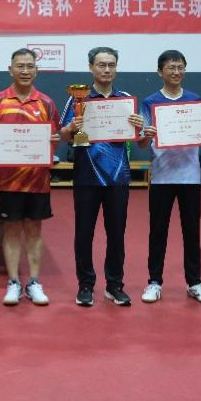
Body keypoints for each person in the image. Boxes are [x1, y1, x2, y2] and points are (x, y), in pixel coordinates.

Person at [60, 46, 144, 307]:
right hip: (86, 177)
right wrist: (71, 127)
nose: (107, 69)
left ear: (116, 68)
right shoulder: (78, 99)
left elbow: (139, 138)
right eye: (101, 65)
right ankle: (85, 285)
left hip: (118, 178)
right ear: (91, 68)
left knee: (117, 234)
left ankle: (114, 285)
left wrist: (140, 127)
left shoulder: (126, 100)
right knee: (84, 233)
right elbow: (63, 135)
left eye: (111, 65)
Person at [0, 48, 60, 306]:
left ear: (36, 70)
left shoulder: (47, 103)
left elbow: (55, 138)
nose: (25, 70)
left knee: (34, 230)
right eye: (20, 66)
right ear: (10, 69)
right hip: (8, 180)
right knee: (12, 230)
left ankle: (34, 282)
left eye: (29, 66)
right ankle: (13, 282)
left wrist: (54, 139)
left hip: (38, 180)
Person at [136, 50, 201, 305]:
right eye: (171, 67)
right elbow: (141, 143)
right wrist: (146, 135)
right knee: (157, 232)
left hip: (190, 177)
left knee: (192, 232)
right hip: (161, 177)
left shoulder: (195, 101)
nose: (176, 72)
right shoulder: (150, 102)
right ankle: (154, 282)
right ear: (160, 72)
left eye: (180, 67)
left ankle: (195, 282)